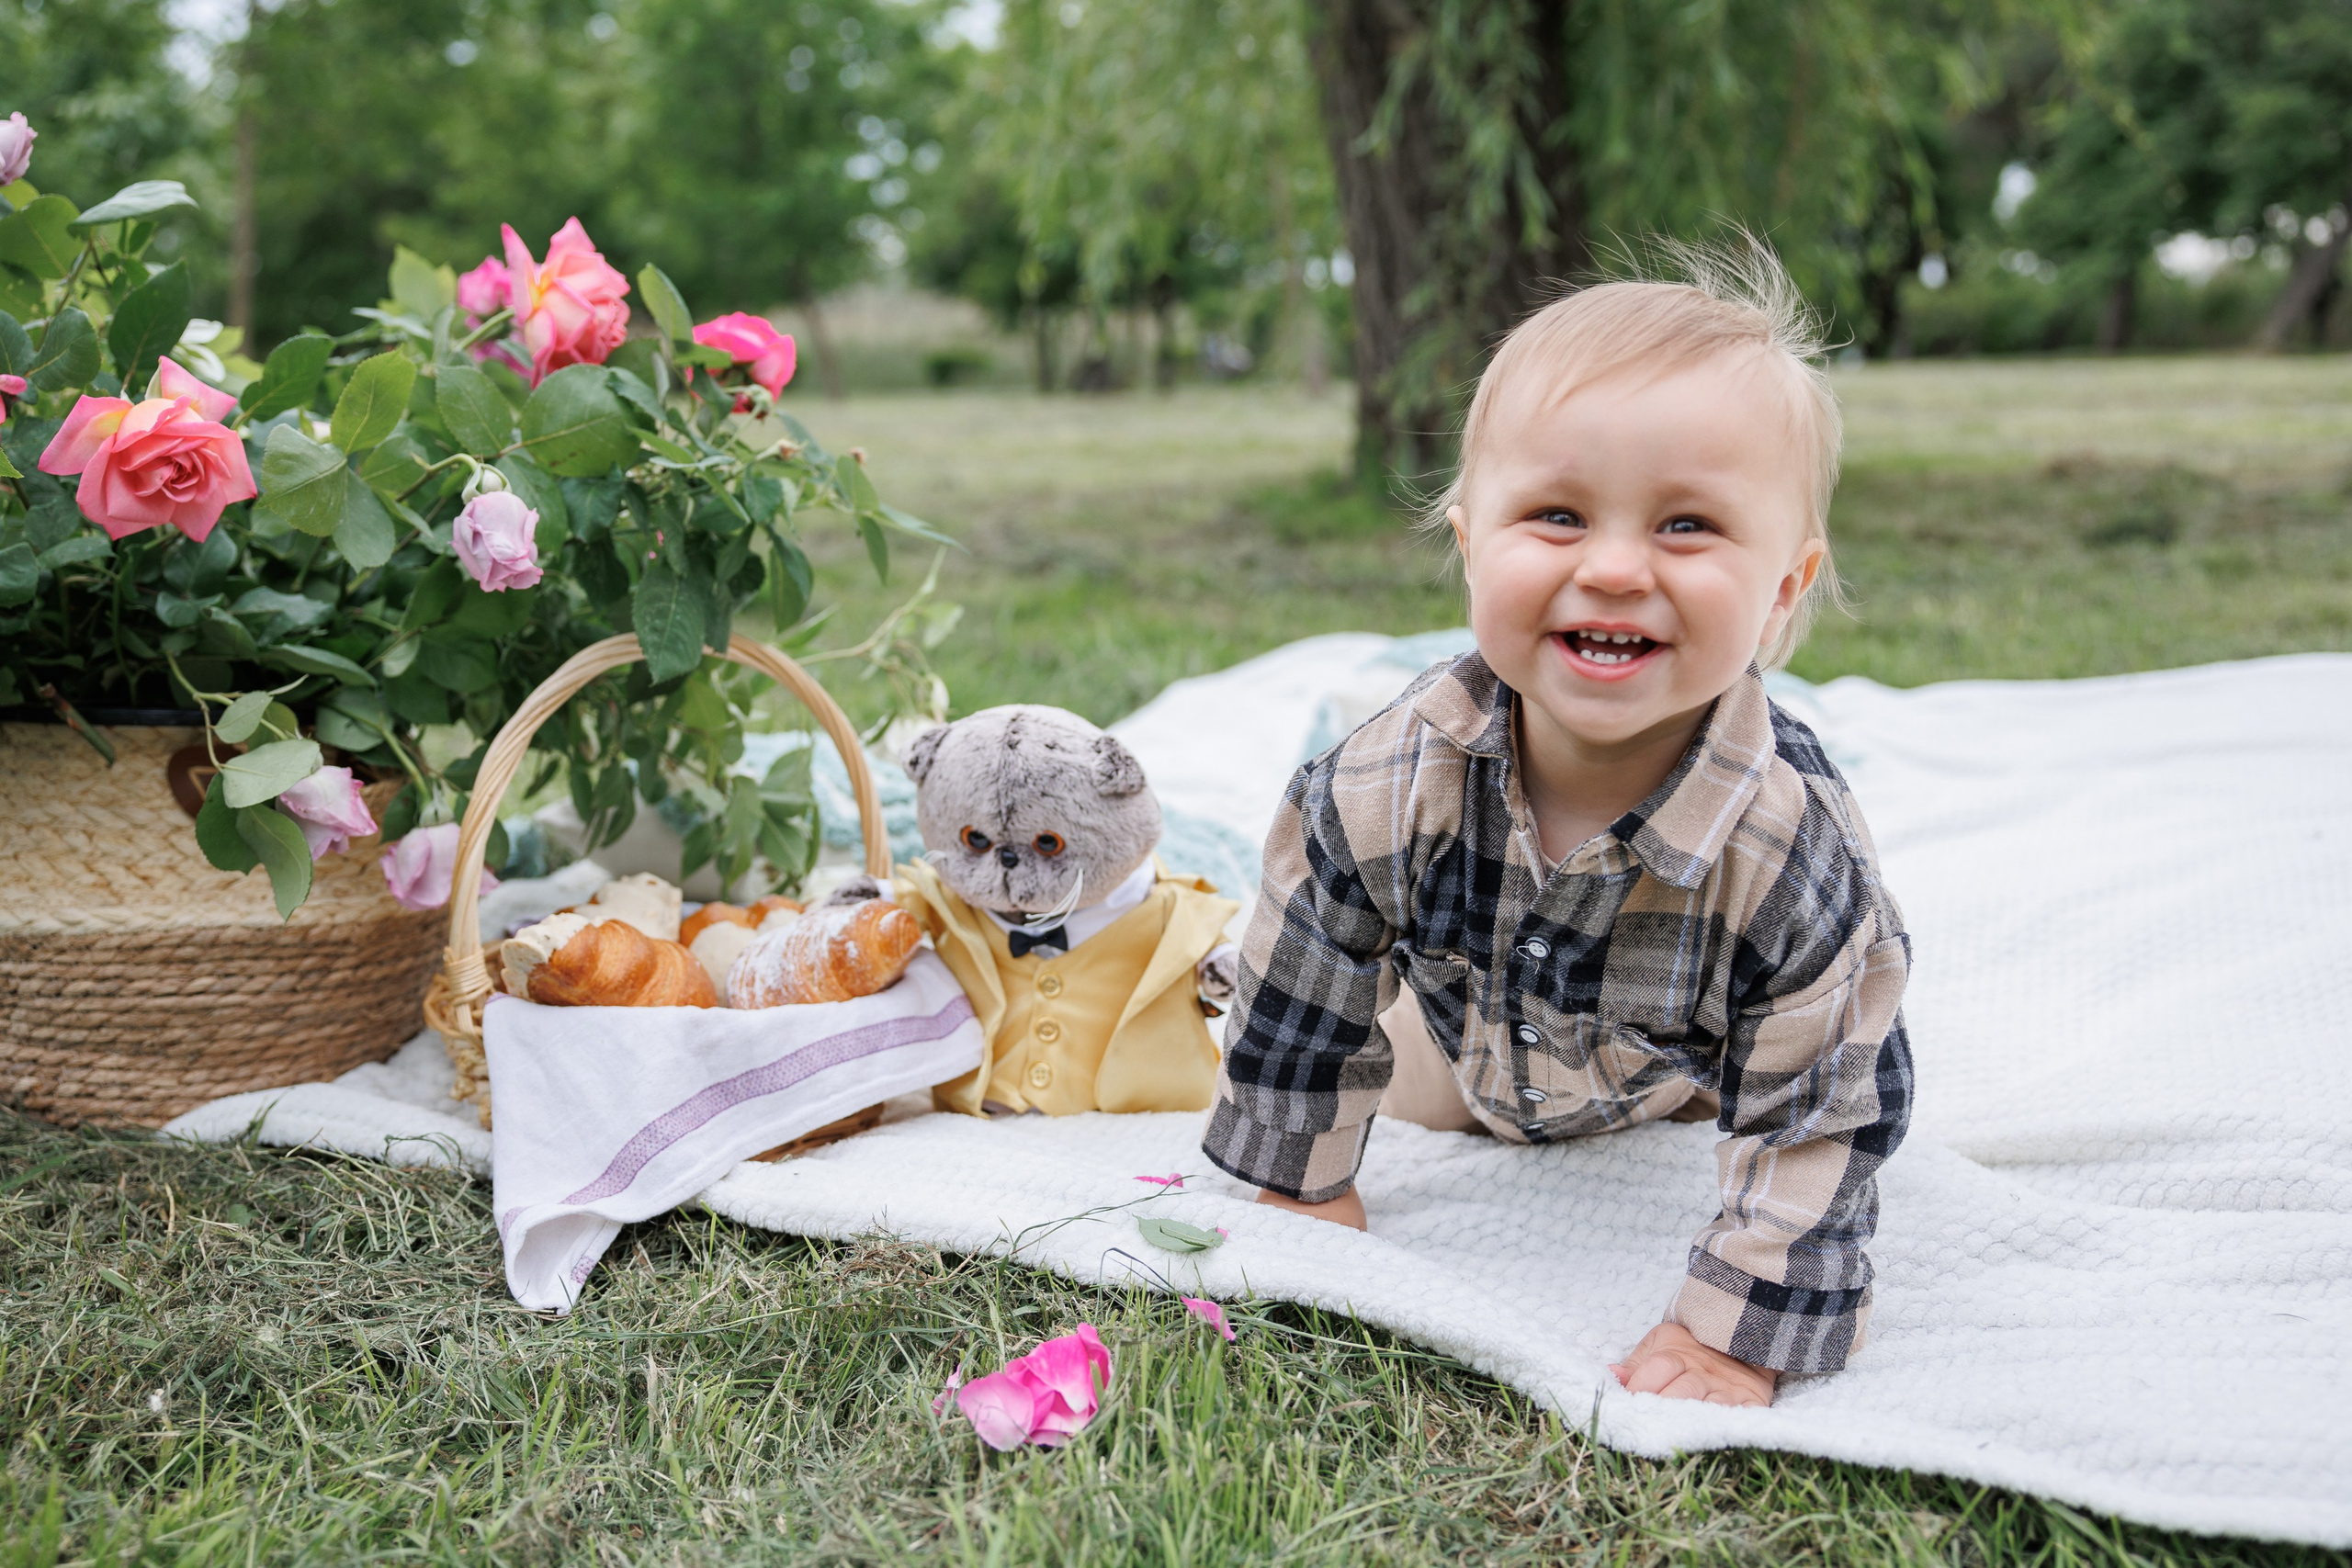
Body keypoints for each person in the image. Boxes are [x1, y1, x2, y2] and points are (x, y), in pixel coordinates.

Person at [1200, 240, 1913, 1407]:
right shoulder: (1389, 782)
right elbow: (1307, 985)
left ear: (1785, 587)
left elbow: (1823, 1107)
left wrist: (1739, 1329)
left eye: (1687, 526)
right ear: (1471, 540)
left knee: (1783, 1068)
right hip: (1460, 1045)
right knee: (1291, 994)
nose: (1618, 567)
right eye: (1557, 515)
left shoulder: (1790, 854)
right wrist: (1305, 1195)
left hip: (1675, 1070)